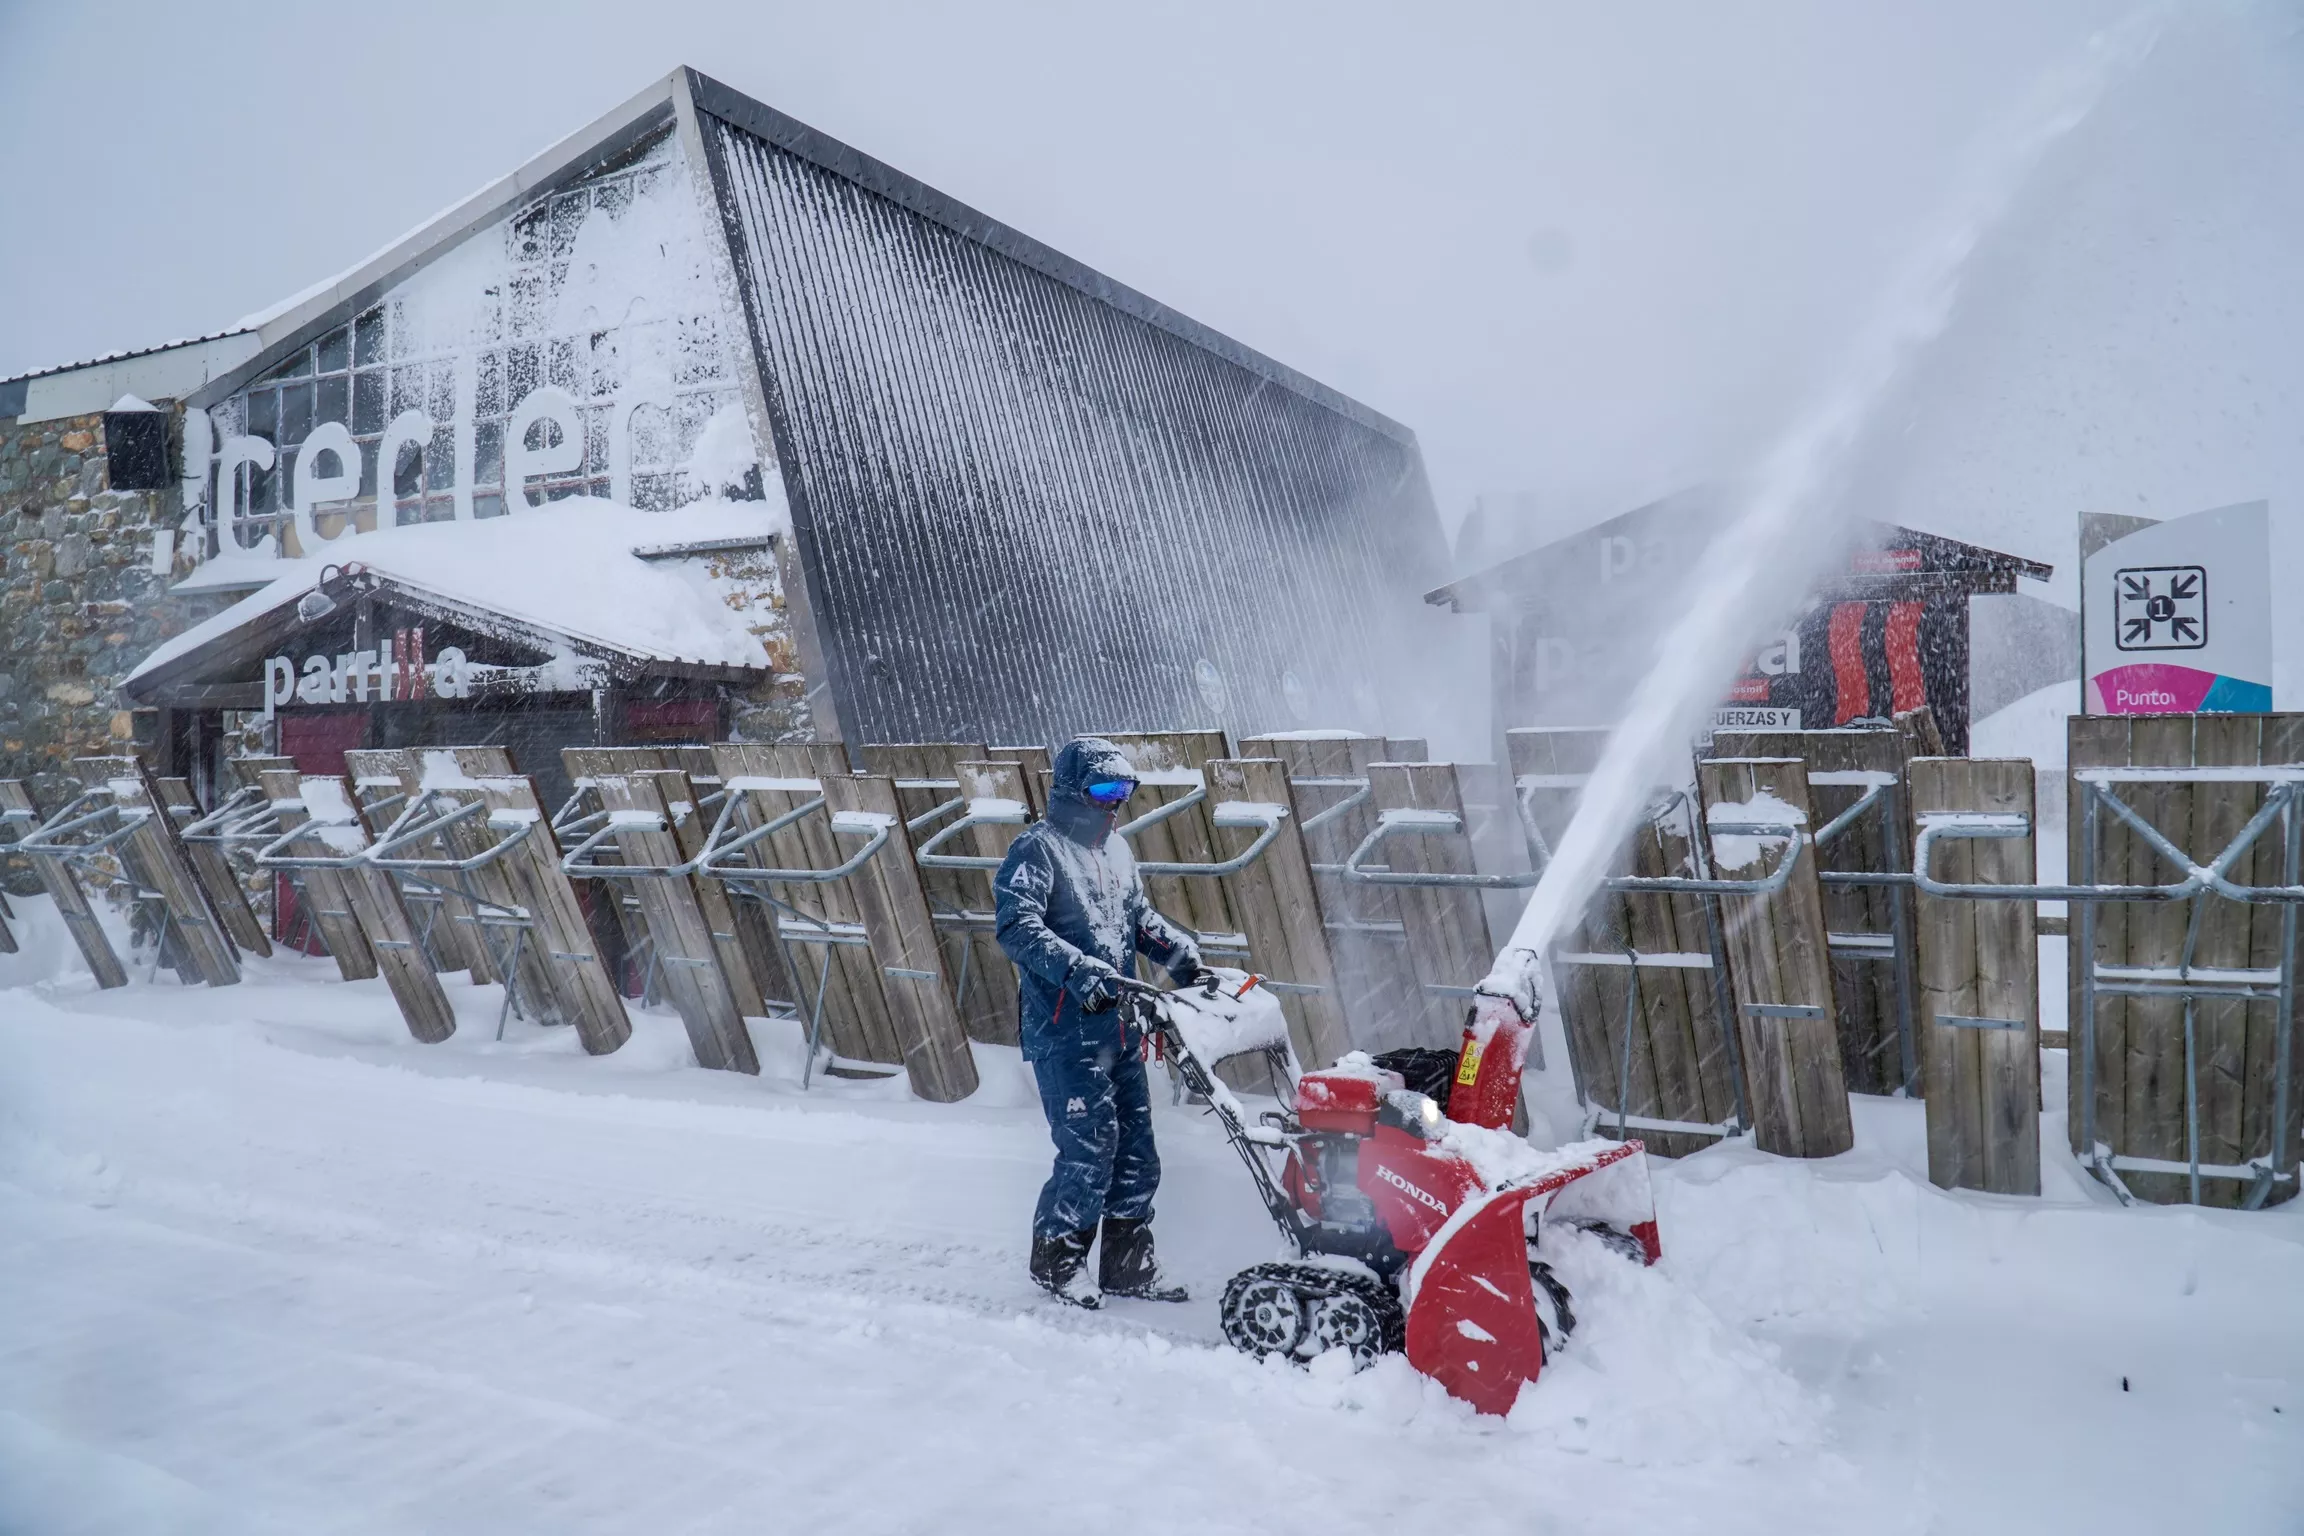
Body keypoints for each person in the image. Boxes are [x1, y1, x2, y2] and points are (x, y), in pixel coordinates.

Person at [995, 736, 1203, 1308]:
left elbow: (1134, 920)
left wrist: (1181, 955)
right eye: (1104, 790)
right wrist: (1079, 971)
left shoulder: (1116, 852)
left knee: (1137, 1148)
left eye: (1124, 791)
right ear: (1071, 790)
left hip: (1119, 1029)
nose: (1114, 804)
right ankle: (1058, 1260)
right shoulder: (1035, 851)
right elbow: (1018, 928)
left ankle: (1127, 1264)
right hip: (1065, 1032)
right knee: (1088, 1148)